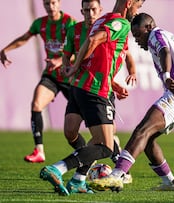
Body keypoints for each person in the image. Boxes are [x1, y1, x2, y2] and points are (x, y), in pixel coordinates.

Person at [39, 0, 145, 196]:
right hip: (95, 89)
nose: (137, 12)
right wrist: (77, 65)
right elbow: (94, 41)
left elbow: (101, 55)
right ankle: (58, 168)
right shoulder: (120, 23)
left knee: (97, 141)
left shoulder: (103, 19)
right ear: (129, 3)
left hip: (82, 86)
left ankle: (79, 179)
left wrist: (111, 82)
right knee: (106, 146)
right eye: (137, 6)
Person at [91, 12, 174, 192]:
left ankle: (116, 176)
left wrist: (167, 77)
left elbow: (164, 51)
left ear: (149, 27)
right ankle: (170, 182)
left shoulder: (156, 35)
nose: (137, 40)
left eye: (138, 35)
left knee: (141, 130)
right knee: (148, 139)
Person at [62, 0, 136, 184]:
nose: (89, 13)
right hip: (81, 84)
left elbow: (121, 56)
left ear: (100, 9)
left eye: (92, 9)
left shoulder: (112, 25)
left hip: (98, 87)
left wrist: (123, 78)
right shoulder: (79, 29)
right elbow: (71, 56)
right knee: (71, 132)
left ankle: (107, 170)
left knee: (105, 141)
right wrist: (69, 66)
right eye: (86, 10)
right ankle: (86, 158)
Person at [0, 0, 76, 163]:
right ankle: (39, 150)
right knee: (36, 104)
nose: (51, 6)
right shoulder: (40, 24)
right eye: (47, 3)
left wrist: (60, 61)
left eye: (54, 2)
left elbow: (79, 51)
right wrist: (6, 49)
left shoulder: (69, 22)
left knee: (88, 117)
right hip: (51, 76)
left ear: (59, 3)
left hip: (71, 77)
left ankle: (108, 146)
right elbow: (24, 38)